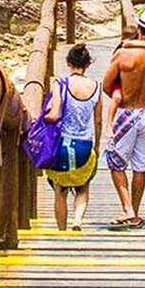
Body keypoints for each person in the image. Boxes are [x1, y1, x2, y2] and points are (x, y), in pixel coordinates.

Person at [102, 8, 145, 228]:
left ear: (139, 28)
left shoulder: (123, 54)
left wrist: (120, 93)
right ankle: (135, 213)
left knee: (115, 161)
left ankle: (127, 209)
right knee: (140, 166)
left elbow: (106, 85)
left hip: (126, 111)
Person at [43, 44, 104, 231]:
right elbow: (98, 121)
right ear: (87, 65)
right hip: (84, 146)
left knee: (60, 190)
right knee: (83, 187)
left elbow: (53, 115)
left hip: (61, 145)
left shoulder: (60, 84)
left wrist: (42, 118)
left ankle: (61, 231)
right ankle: (77, 221)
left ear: (68, 63)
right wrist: (97, 146)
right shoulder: (96, 87)